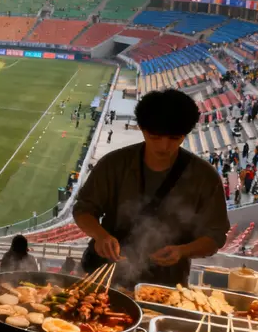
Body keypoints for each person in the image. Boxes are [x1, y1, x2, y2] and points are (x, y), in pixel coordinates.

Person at [74, 89, 228, 287]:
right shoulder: (114, 164)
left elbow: (215, 237)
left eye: (174, 138)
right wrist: (101, 236)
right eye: (155, 137)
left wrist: (182, 251)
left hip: (165, 284)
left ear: (185, 135)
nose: (164, 147)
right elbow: (84, 209)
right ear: (141, 128)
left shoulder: (204, 177)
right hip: (104, 273)